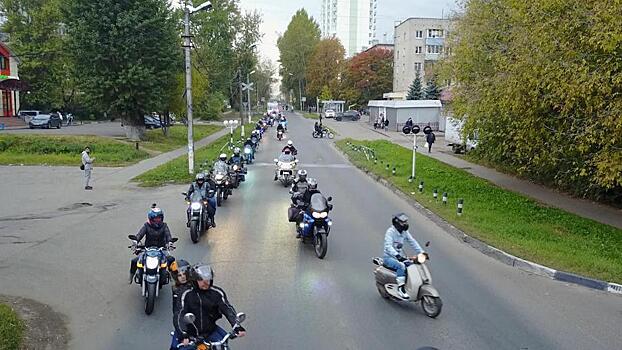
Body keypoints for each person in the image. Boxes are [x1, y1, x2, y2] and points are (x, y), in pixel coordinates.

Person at [176, 264, 246, 345]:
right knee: (177, 347)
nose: (206, 283)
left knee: (223, 345)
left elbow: (227, 308)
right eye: (201, 280)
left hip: (209, 332)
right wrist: (183, 333)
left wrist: (236, 325)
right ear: (194, 281)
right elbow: (179, 314)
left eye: (208, 280)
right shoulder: (186, 294)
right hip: (189, 334)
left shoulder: (217, 293)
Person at [129, 206, 175, 284]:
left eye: (159, 218)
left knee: (171, 260)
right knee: (134, 261)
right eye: (155, 218)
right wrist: (135, 241)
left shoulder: (164, 226)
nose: (158, 220)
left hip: (161, 248)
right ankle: (131, 276)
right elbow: (140, 234)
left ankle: (174, 279)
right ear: (151, 218)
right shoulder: (146, 225)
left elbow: (168, 235)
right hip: (148, 249)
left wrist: (170, 243)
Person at [383, 213, 424, 299]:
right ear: (397, 223)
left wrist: (422, 252)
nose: (405, 224)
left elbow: (412, 241)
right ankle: (401, 289)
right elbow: (388, 246)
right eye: (403, 222)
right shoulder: (390, 232)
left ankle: (410, 285)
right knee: (401, 266)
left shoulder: (404, 232)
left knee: (413, 266)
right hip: (389, 257)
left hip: (400, 257)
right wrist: (397, 255)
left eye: (406, 222)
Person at [170, 259, 192, 350]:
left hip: (199, 322)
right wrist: (182, 331)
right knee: (174, 347)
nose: (183, 277)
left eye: (184, 274)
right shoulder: (176, 290)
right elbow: (176, 311)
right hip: (183, 322)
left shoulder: (195, 286)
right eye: (179, 275)